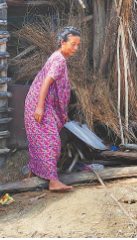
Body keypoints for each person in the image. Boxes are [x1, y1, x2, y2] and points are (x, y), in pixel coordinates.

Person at [24, 26, 81, 191]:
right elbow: (46, 82)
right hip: (39, 103)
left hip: (40, 103)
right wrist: (40, 107)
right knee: (51, 142)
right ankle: (53, 182)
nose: (76, 48)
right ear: (63, 42)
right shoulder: (59, 60)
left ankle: (30, 177)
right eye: (73, 44)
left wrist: (60, 112)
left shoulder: (58, 57)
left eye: (77, 45)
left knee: (39, 140)